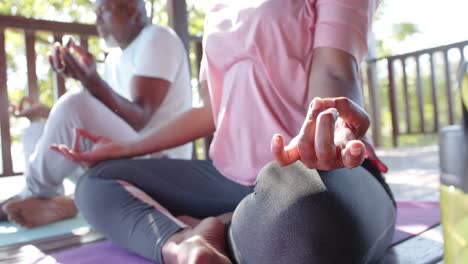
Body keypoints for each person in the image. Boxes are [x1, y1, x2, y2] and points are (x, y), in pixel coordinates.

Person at [53, 0, 396, 263]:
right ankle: (184, 242)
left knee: (302, 227)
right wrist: (128, 148)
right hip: (226, 178)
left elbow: (336, 73)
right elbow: (212, 111)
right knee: (97, 182)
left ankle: (225, 221)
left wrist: (331, 129)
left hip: (313, 175)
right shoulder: (216, 7)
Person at [1, 0, 193, 228]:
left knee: (73, 103)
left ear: (131, 9)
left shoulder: (157, 38)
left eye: (103, 12)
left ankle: (31, 195)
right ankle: (53, 201)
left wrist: (91, 81)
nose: (97, 21)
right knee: (36, 131)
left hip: (161, 166)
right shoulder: (114, 58)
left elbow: (140, 117)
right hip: (126, 157)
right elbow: (103, 118)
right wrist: (44, 112)